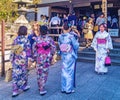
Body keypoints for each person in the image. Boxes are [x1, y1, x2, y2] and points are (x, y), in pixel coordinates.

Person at [32, 25, 56, 95]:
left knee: (39, 72)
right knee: (45, 73)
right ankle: (42, 88)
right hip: (46, 58)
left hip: (39, 57)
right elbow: (53, 48)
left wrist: (35, 56)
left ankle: (40, 86)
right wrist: (51, 55)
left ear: (40, 31)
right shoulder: (49, 39)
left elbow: (34, 48)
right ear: (47, 31)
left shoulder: (37, 39)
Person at [10, 26, 32, 97]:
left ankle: (15, 91)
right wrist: (29, 60)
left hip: (16, 59)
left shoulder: (15, 40)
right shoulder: (26, 40)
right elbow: (28, 51)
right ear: (25, 32)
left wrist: (11, 59)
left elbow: (12, 50)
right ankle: (23, 86)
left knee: (15, 74)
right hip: (23, 59)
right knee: (24, 74)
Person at [58, 22, 79, 94]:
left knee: (64, 71)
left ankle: (63, 88)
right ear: (69, 28)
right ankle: (68, 89)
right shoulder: (71, 36)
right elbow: (76, 46)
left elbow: (60, 45)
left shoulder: (60, 36)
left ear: (62, 28)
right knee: (70, 71)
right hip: (70, 55)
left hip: (64, 55)